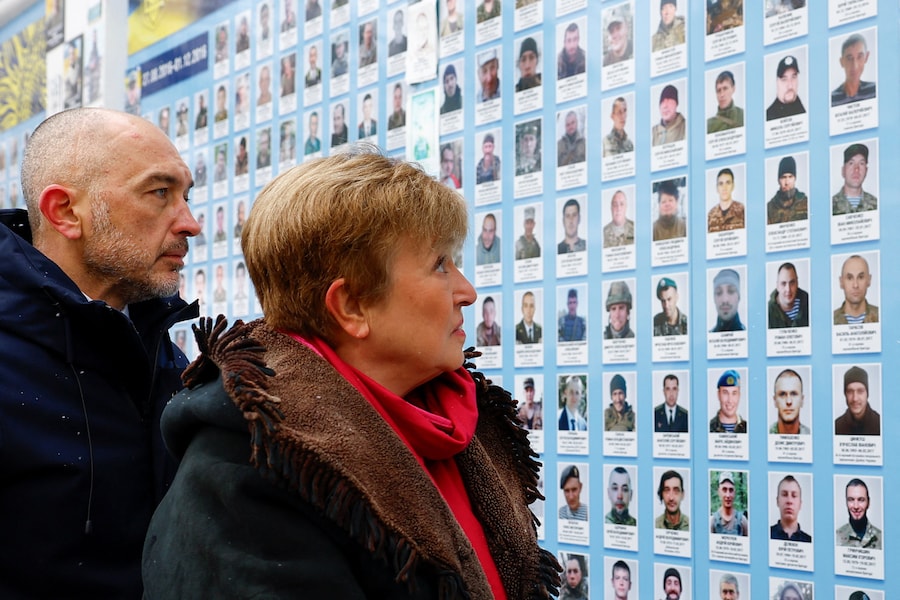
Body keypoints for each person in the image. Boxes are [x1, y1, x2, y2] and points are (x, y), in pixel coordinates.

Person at [142, 149, 562, 598]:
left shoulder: (459, 423)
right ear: (351, 306)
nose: (468, 291)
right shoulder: (245, 476)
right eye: (440, 265)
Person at [0, 108, 199, 597]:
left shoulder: (165, 359)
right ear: (65, 212)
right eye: (159, 193)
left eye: (186, 196)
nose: (191, 224)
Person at [836, 478, 882, 549]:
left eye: (861, 500)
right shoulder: (836, 537)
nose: (856, 506)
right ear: (846, 502)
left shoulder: (881, 537)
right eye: (851, 500)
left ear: (868, 503)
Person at [832, 33, 876, 106]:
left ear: (866, 57)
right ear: (842, 62)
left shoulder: (875, 90)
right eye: (849, 58)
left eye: (860, 56)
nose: (855, 65)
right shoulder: (832, 99)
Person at [834, 366, 880, 435]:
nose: (855, 398)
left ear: (867, 394)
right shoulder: (836, 426)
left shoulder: (880, 424)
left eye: (860, 391)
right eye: (850, 391)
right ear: (845, 394)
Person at [834, 254, 879, 324]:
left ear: (869, 280)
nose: (855, 285)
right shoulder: (831, 319)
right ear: (841, 282)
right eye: (849, 278)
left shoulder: (881, 316)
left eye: (860, 277)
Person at [833, 143, 877, 214]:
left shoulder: (876, 204)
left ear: (866, 170)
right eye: (851, 163)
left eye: (861, 163)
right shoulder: (830, 206)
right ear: (843, 170)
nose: (856, 169)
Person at [767, 156, 808, 224]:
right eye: (783, 177)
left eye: (790, 177)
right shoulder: (769, 208)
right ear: (778, 180)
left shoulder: (806, 202)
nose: (787, 182)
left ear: (795, 178)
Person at [770, 475, 811, 542]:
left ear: (800, 504)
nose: (789, 501)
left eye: (794, 496)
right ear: (777, 501)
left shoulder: (809, 541)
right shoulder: (766, 535)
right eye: (784, 494)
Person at [768, 262, 809, 328]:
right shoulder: (768, 312)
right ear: (777, 286)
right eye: (783, 283)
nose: (788, 289)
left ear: (797, 283)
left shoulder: (809, 303)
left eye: (792, 283)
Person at [770, 369, 809, 434]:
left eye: (794, 394)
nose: (788, 401)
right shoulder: (764, 433)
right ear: (775, 401)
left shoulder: (811, 434)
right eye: (782, 394)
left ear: (802, 400)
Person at [767, 55, 806, 120]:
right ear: (777, 82)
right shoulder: (769, 116)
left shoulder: (802, 108)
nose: (790, 85)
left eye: (793, 77)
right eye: (784, 79)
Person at [707, 167, 745, 232]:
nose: (724, 188)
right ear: (717, 188)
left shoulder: (742, 210)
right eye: (721, 184)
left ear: (733, 186)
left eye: (728, 183)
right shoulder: (711, 215)